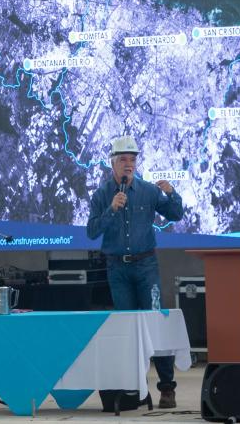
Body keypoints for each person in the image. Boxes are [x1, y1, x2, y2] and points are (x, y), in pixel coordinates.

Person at [86, 135, 184, 409]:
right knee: (127, 328)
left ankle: (167, 388)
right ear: (113, 164)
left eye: (133, 159)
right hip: (117, 268)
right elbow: (92, 231)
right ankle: (134, 388)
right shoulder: (102, 194)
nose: (129, 165)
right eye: (123, 160)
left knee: (155, 324)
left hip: (145, 266)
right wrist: (111, 210)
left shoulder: (149, 191)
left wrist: (172, 193)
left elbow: (176, 214)